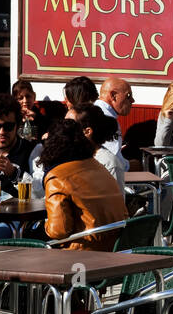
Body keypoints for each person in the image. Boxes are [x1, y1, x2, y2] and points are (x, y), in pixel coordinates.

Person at [40, 119, 127, 251]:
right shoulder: (98, 166)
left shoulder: (56, 176)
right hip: (116, 246)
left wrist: (44, 225)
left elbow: (59, 231)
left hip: (81, 252)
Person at [70, 103, 126, 192]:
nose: (62, 128)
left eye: (68, 124)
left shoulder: (108, 163)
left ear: (87, 132)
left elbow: (116, 202)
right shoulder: (68, 155)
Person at [95, 78, 133, 171]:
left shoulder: (96, 111)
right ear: (113, 95)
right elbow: (114, 158)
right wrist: (130, 165)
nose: (132, 100)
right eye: (128, 96)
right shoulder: (106, 118)